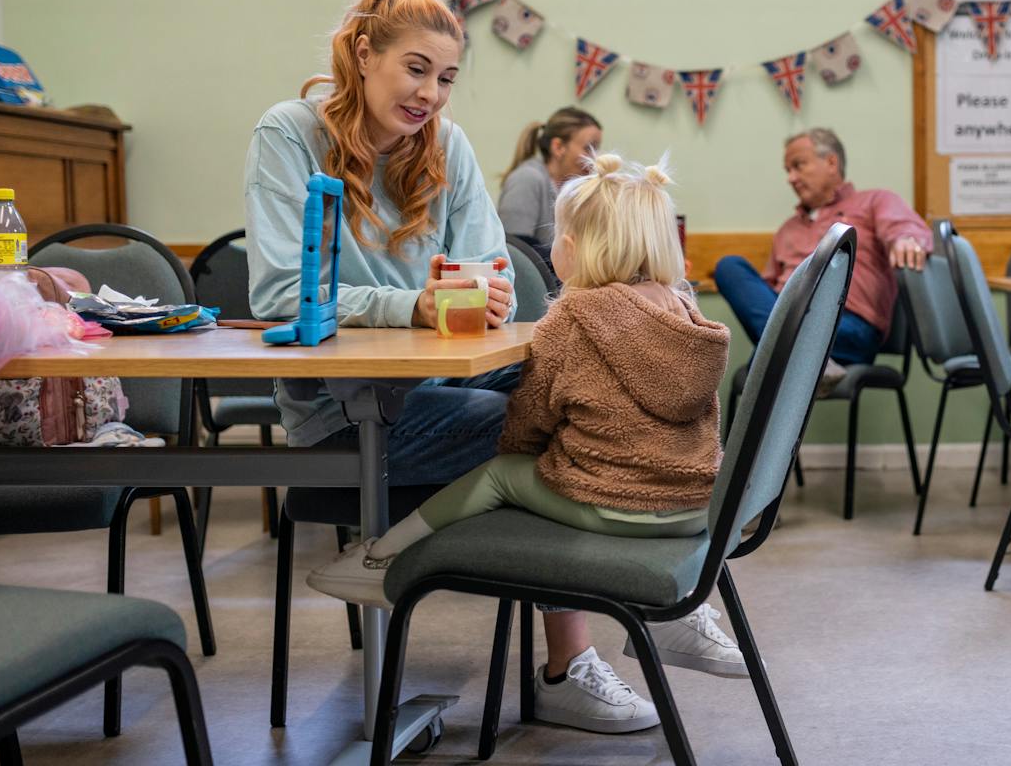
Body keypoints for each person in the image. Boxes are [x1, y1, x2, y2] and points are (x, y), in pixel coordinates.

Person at [244, 0, 675, 731]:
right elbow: (283, 295)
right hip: (340, 415)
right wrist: (413, 303)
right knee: (555, 425)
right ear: (363, 51)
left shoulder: (446, 146)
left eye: (446, 78)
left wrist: (479, 296)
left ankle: (630, 613)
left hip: (443, 387)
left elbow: (493, 274)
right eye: (417, 70)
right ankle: (578, 657)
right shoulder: (290, 134)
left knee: (594, 388)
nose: (432, 96)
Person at [306, 153, 745, 734]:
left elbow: (530, 422)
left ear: (578, 246)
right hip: (692, 515)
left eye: (557, 237)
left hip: (617, 507)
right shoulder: (687, 314)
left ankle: (381, 558)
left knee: (502, 472)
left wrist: (528, 449)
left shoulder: (573, 319)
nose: (550, 248)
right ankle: (662, 614)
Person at [714, 128, 931, 385]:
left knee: (765, 366)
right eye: (787, 171)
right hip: (788, 320)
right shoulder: (787, 230)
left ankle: (791, 352)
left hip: (847, 330)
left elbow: (906, 228)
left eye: (798, 165)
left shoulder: (873, 202)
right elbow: (762, 302)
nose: (791, 178)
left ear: (831, 162)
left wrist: (907, 240)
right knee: (729, 267)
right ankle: (803, 354)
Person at [497, 106, 602, 249]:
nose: (596, 158)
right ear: (558, 147)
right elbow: (515, 251)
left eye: (597, 149)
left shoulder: (572, 191)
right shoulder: (527, 179)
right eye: (589, 148)